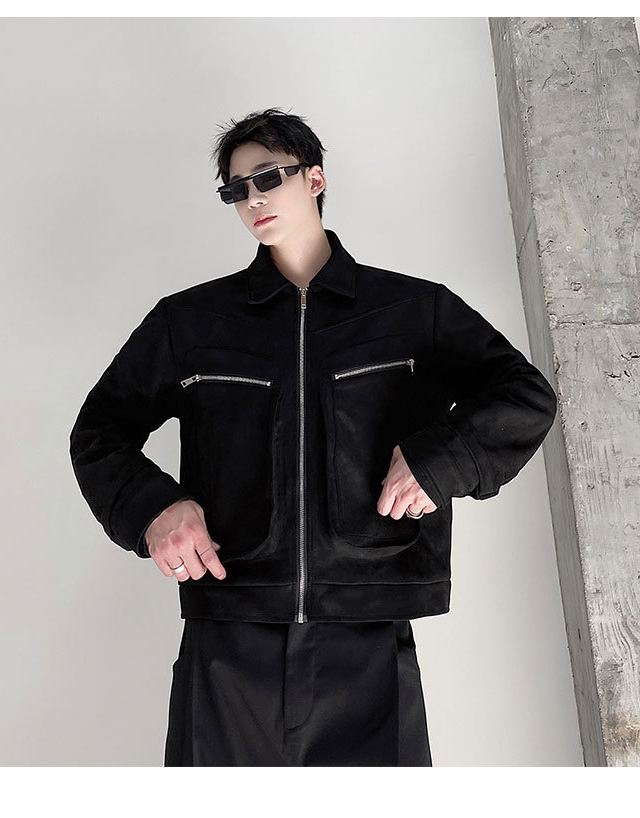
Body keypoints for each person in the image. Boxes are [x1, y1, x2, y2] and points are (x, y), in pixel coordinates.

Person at [69, 107, 558, 766]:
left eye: (268, 177)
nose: (253, 198)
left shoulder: (412, 312)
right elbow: (99, 431)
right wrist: (155, 508)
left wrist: (437, 461)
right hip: (228, 635)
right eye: (236, 188)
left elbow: (525, 395)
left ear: (315, 179)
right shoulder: (191, 323)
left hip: (368, 635)